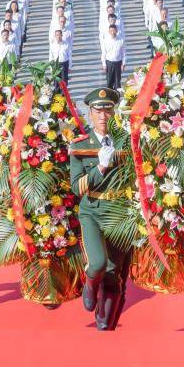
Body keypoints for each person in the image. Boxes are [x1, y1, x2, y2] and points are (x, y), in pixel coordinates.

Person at [70, 88, 132, 331]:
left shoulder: (126, 140)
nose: (104, 116)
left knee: (113, 271)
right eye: (99, 111)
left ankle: (104, 323)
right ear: (90, 113)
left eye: (108, 110)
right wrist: (101, 168)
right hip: (93, 210)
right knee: (97, 263)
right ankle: (90, 283)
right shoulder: (81, 144)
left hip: (119, 211)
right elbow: (77, 187)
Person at [101, 24, 126, 90]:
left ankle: (117, 94)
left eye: (114, 31)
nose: (112, 32)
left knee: (117, 82)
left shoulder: (121, 40)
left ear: (117, 31)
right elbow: (103, 53)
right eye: (111, 31)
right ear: (109, 32)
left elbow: (123, 53)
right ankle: (110, 94)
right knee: (109, 81)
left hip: (118, 63)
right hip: (109, 63)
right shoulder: (106, 41)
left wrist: (123, 64)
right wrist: (104, 64)